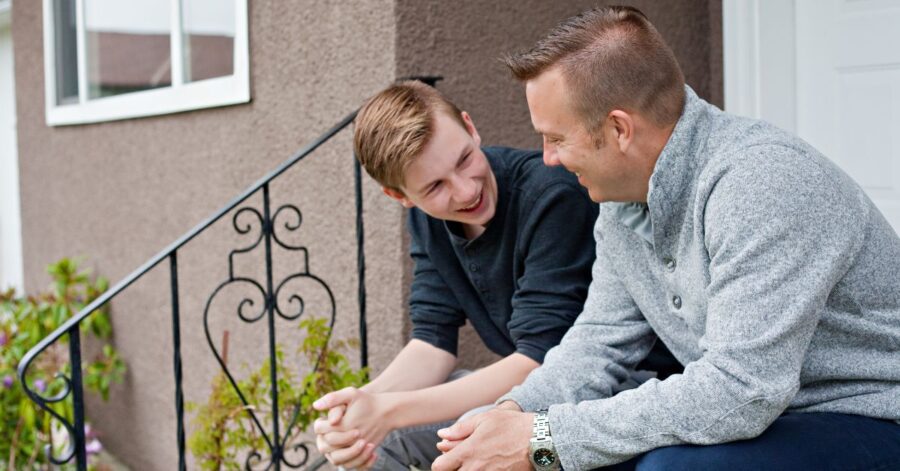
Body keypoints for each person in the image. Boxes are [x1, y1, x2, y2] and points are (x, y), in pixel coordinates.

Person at [431, 6, 900, 471]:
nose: (548, 158)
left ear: (618, 129)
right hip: (768, 415)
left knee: (670, 469)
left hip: (869, 411)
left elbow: (741, 389)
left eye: (556, 138)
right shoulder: (621, 202)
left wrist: (542, 439)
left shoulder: (761, 184)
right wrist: (508, 415)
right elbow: (599, 342)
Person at [311, 81, 677, 470]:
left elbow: (538, 360)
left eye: (465, 159)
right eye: (435, 186)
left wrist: (389, 410)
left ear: (470, 128)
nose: (465, 190)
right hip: (534, 387)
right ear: (400, 196)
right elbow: (432, 342)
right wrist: (357, 409)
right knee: (380, 442)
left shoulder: (550, 193)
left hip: (616, 381)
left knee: (469, 436)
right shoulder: (428, 221)